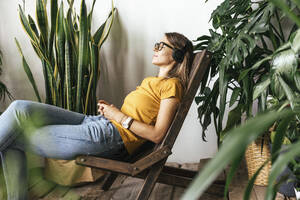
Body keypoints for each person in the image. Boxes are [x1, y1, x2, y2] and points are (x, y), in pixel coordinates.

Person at [0, 32, 194, 199]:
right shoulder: (152, 81)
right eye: (156, 45)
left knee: (13, 137)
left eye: (161, 45)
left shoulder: (172, 86)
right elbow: (137, 114)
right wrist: (112, 112)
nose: (156, 48)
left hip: (107, 135)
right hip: (99, 123)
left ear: (176, 54)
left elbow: (157, 135)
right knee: (20, 108)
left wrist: (118, 116)